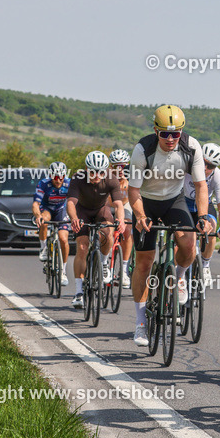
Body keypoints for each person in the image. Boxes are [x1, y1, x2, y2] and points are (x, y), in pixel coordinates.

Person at [127, 105, 210, 347]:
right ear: (156, 131)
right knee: (144, 262)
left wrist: (203, 216)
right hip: (146, 202)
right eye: (165, 134)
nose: (171, 139)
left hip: (175, 200)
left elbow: (201, 185)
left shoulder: (191, 146)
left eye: (176, 134)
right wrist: (140, 216)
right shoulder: (143, 150)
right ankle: (141, 323)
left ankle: (180, 277)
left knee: (188, 244)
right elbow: (132, 190)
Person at [65, 152, 126, 310]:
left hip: (101, 210)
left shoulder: (111, 179)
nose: (96, 175)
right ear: (86, 169)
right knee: (82, 247)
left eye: (100, 172)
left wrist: (120, 220)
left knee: (107, 233)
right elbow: (71, 203)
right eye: (92, 172)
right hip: (82, 211)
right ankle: (79, 292)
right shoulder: (78, 178)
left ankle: (104, 263)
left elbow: (118, 205)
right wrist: (73, 218)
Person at [184, 142, 220, 286]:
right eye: (203, 162)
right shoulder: (185, 168)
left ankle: (205, 265)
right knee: (183, 238)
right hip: (183, 202)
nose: (205, 168)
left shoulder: (218, 176)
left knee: (212, 228)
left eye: (210, 166)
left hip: (204, 205)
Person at [33, 161, 71, 286]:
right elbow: (35, 204)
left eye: (61, 177)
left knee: (63, 239)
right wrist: (38, 216)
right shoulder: (44, 184)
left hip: (61, 210)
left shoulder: (69, 183)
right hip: (47, 208)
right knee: (44, 222)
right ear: (51, 175)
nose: (58, 180)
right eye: (55, 177)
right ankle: (44, 248)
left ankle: (63, 271)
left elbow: (75, 202)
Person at [108, 149, 133, 287]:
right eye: (116, 166)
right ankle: (104, 264)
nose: (119, 169)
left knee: (128, 228)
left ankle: (124, 269)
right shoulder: (106, 177)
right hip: (110, 206)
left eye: (122, 166)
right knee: (106, 231)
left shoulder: (131, 178)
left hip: (125, 205)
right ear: (110, 167)